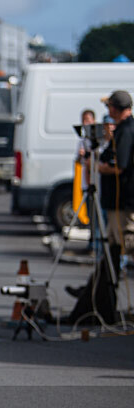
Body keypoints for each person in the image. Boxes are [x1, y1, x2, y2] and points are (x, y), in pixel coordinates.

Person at [98, 90, 134, 273]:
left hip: (123, 200)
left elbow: (120, 165)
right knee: (113, 244)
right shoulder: (122, 129)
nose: (108, 110)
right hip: (117, 200)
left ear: (115, 108)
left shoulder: (126, 130)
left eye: (109, 106)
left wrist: (100, 167)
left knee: (126, 241)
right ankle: (102, 287)